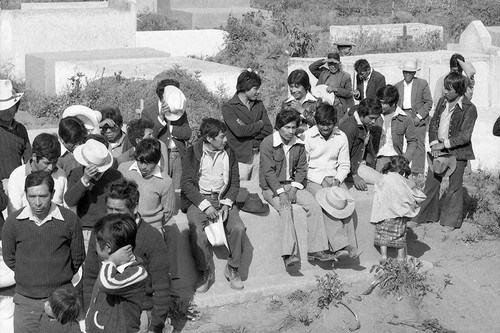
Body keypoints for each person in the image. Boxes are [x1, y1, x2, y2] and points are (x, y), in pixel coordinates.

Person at [83, 179, 172, 333]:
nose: (112, 215)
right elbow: (90, 275)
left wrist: (155, 326)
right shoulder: (100, 233)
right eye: (109, 209)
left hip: (138, 317)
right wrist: (88, 312)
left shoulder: (151, 238)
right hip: (102, 313)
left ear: (135, 208)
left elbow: (162, 288)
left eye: (119, 210)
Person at [2, 170, 85, 333]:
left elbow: (78, 258)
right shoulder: (13, 222)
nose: (37, 202)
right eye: (32, 196)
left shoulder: (69, 220)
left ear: (53, 193)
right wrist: (30, 276)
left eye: (43, 196)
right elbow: (9, 258)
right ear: (25, 194)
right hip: (26, 304)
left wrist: (57, 278)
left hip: (61, 301)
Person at [260, 110, 336, 268]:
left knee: (314, 206)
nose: (291, 131)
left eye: (294, 128)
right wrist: (281, 194)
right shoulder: (267, 143)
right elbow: (268, 172)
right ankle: (289, 253)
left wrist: (294, 189)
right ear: (278, 127)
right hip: (272, 187)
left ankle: (316, 250)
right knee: (286, 209)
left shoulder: (299, 143)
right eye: (287, 127)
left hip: (293, 185)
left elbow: (302, 169)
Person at [181, 118, 247, 292]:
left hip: (223, 199)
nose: (225, 140)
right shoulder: (192, 152)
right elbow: (187, 184)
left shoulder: (229, 153)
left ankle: (232, 268)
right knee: (196, 228)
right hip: (199, 199)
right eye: (222, 137)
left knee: (238, 228)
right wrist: (205, 206)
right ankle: (205, 271)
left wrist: (226, 204)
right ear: (209, 138)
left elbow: (235, 183)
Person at [412, 72, 477, 232]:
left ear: (459, 90)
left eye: (449, 89)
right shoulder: (442, 102)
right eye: (445, 88)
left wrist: (443, 145)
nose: (445, 92)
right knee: (431, 183)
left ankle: (450, 221)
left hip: (458, 152)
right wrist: (434, 144)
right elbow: (433, 124)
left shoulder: (469, 109)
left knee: (454, 187)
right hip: (439, 149)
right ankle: (424, 215)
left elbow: (464, 136)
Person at [303, 104, 359, 259]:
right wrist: (321, 181)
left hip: (334, 176)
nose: (325, 128)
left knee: (345, 203)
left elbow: (345, 164)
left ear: (334, 122)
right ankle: (340, 246)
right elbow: (303, 166)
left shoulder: (341, 137)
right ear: (316, 121)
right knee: (326, 203)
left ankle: (352, 248)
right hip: (313, 178)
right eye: (322, 124)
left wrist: (337, 180)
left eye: (329, 124)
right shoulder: (308, 137)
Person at [118, 138, 178, 279]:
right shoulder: (124, 169)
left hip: (152, 229)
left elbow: (168, 211)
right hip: (126, 227)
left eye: (148, 163)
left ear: (156, 161)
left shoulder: (165, 181)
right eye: (140, 161)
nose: (143, 166)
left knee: (152, 273)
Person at [85, 213, 148, 333]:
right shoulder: (109, 268)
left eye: (97, 244)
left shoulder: (137, 273)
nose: (95, 249)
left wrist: (112, 261)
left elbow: (107, 284)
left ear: (108, 248)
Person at [64, 137, 122, 251]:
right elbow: (70, 200)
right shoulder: (76, 174)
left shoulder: (116, 176)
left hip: (110, 227)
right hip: (86, 228)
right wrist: (84, 180)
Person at [371, 156, 425, 262]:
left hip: (385, 213)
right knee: (400, 238)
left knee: (383, 236)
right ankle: (400, 258)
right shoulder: (403, 180)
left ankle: (384, 257)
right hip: (399, 214)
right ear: (402, 169)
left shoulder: (384, 177)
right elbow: (415, 192)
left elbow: (377, 188)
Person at [222, 70, 273, 180]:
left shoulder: (259, 105)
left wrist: (247, 128)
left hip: (259, 156)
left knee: (258, 192)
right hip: (240, 159)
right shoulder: (229, 107)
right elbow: (239, 132)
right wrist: (259, 124)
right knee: (240, 192)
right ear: (245, 88)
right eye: (255, 88)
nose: (258, 92)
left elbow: (269, 130)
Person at [141, 80, 192, 190]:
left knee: (177, 190)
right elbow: (147, 137)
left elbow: (187, 133)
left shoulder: (180, 109)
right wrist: (160, 119)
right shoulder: (148, 112)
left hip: (177, 155)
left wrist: (171, 128)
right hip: (159, 156)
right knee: (160, 188)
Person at [8, 133, 67, 214]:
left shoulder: (61, 175)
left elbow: (67, 208)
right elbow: (14, 213)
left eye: (54, 162)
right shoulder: (18, 176)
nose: (50, 167)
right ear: (34, 156)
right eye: (47, 163)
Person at [394, 60, 433, 178]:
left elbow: (428, 102)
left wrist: (419, 116)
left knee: (418, 143)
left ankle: (417, 172)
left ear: (414, 73)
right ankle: (398, 169)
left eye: (410, 72)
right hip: (402, 115)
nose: (407, 74)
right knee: (398, 142)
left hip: (416, 116)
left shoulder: (422, 84)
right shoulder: (397, 86)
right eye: (405, 72)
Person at [338, 98, 382, 191]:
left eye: (375, 118)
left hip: (359, 164)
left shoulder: (364, 124)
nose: (374, 122)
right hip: (351, 169)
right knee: (382, 181)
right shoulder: (349, 127)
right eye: (371, 118)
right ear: (362, 114)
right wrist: (354, 175)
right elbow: (343, 156)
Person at [372, 85, 417, 172]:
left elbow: (412, 141)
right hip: (375, 159)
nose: (380, 106)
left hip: (395, 161)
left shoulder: (406, 118)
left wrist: (405, 160)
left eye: (384, 103)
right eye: (379, 102)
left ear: (393, 104)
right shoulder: (373, 115)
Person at [0, 79, 31, 182]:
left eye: (10, 107)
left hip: (17, 183)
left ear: (17, 108)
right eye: (3, 108)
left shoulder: (20, 129)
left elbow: (29, 159)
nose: (6, 111)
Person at [309, 52, 355, 119]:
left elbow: (349, 93)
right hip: (322, 106)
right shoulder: (323, 73)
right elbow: (311, 67)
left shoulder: (345, 76)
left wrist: (335, 89)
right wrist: (324, 61)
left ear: (339, 64)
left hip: (337, 108)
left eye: (335, 64)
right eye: (330, 64)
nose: (333, 67)